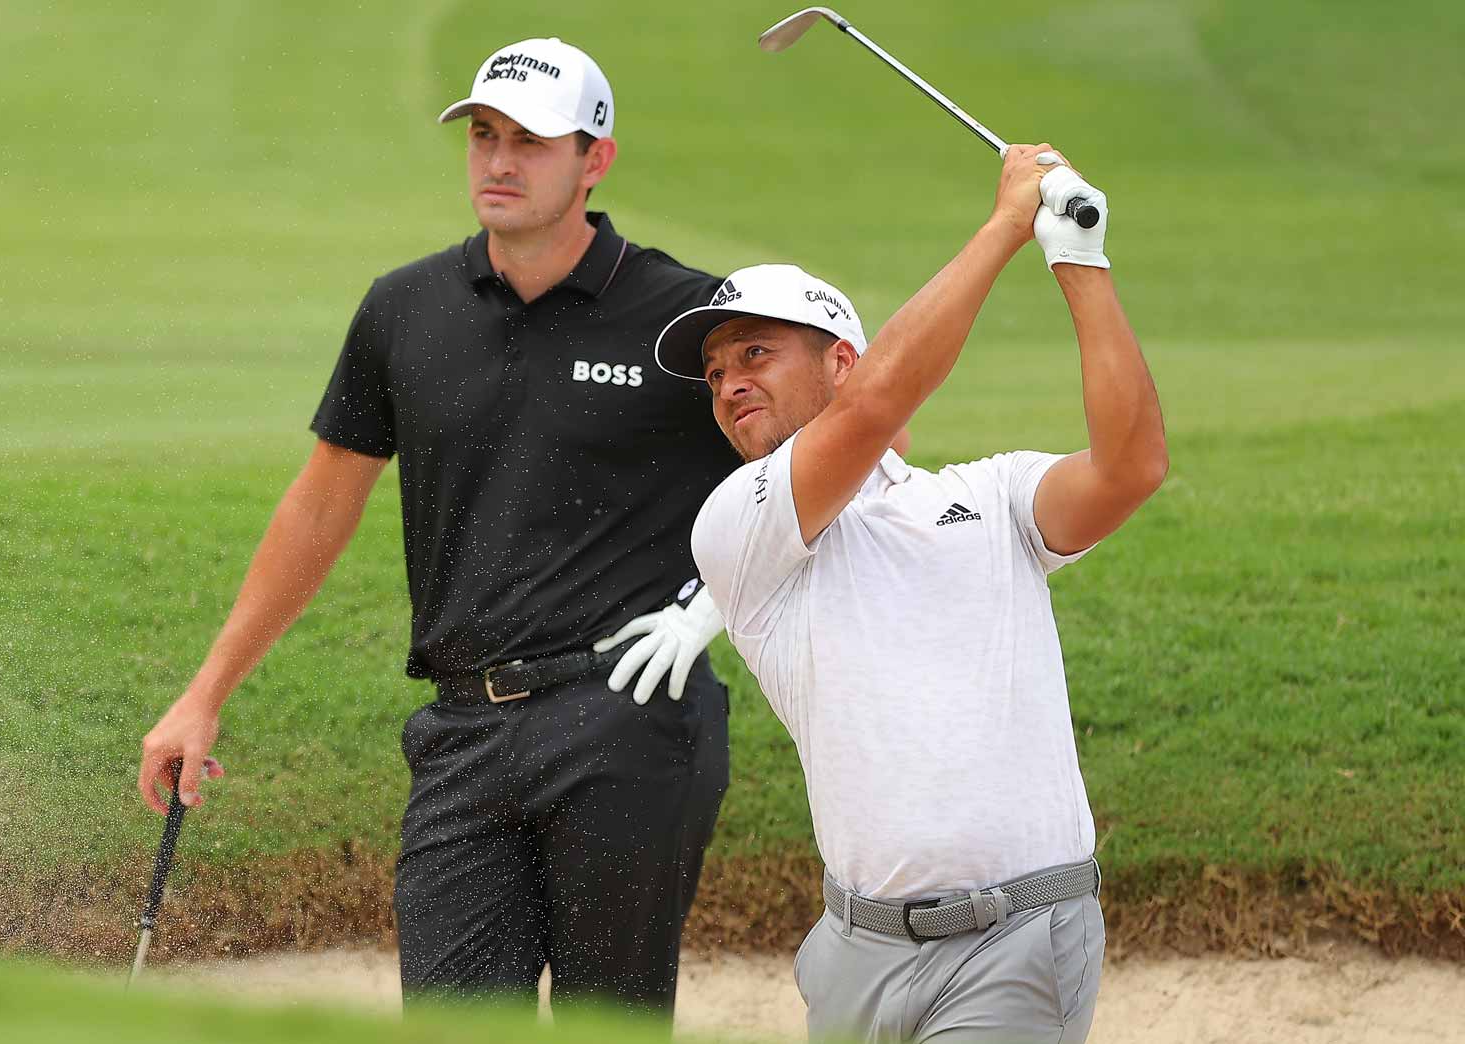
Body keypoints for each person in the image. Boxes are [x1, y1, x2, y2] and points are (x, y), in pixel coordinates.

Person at [138, 37, 753, 1016]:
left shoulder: (684, 319)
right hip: (461, 733)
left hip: (627, 717)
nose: (498, 162)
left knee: (610, 1023)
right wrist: (205, 692)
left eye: (530, 142)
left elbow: (807, 476)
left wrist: (711, 609)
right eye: (481, 135)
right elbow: (320, 501)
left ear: (595, 159)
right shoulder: (404, 308)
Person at [654, 145, 1167, 1042]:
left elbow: (1130, 468)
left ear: (841, 361)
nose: (729, 381)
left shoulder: (993, 497)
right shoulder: (737, 525)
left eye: (757, 352)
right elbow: (876, 409)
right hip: (856, 952)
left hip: (1018, 936)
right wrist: (1007, 222)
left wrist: (1078, 259)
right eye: (715, 372)